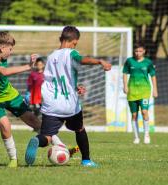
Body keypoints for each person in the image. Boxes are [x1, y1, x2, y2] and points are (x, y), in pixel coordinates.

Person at [25, 26, 111, 167]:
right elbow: (82, 59)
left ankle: (37, 141)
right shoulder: (71, 53)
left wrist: (75, 86)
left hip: (51, 104)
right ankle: (86, 160)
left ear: (61, 39)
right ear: (74, 42)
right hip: (69, 104)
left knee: (47, 136)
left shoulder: (51, 57)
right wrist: (100, 61)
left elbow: (57, 79)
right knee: (80, 129)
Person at [0, 31, 41, 168]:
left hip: (9, 93)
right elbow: (4, 72)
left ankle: (58, 146)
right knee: (5, 125)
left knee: (33, 120)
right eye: (10, 49)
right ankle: (13, 159)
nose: (11, 52)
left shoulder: (2, 57)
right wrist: (28, 66)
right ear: (2, 48)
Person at [123, 42, 158, 144]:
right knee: (134, 115)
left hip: (144, 91)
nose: (138, 53)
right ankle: (136, 137)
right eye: (136, 51)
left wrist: (155, 89)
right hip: (132, 91)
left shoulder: (148, 62)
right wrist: (125, 86)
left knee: (144, 112)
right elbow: (125, 73)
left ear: (144, 52)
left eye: (140, 51)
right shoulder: (129, 61)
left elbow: (153, 76)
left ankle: (146, 134)